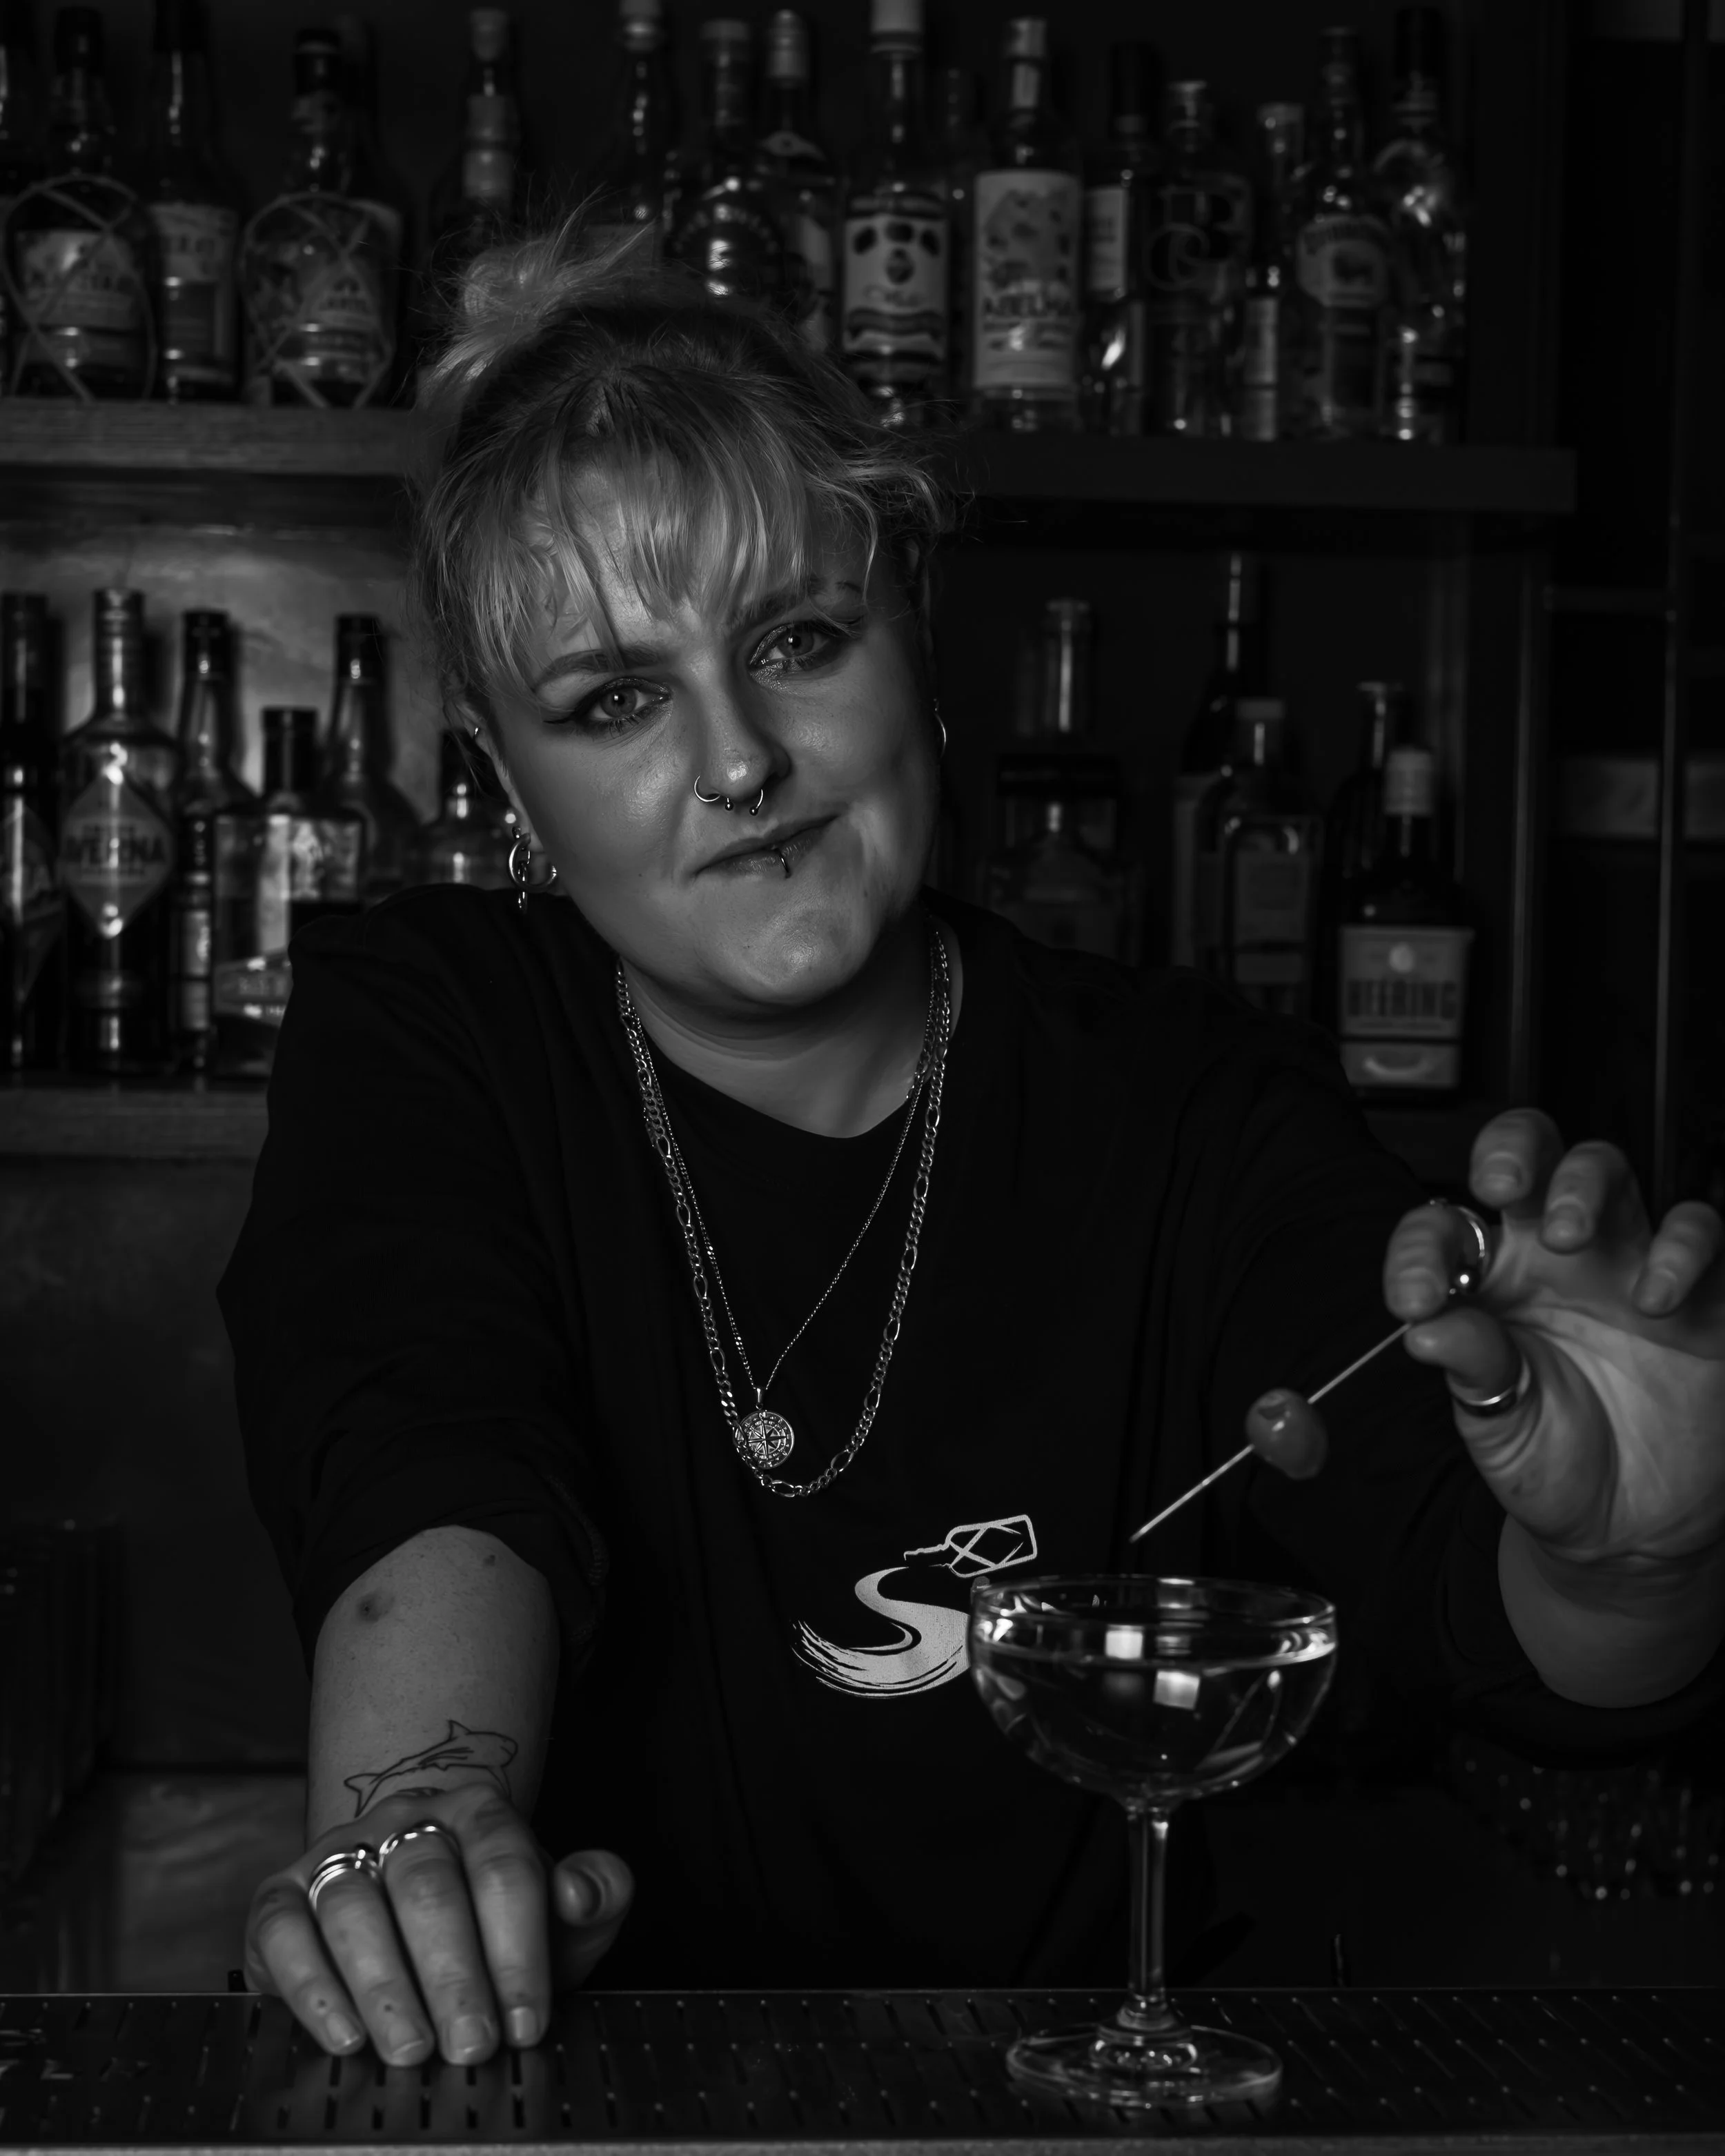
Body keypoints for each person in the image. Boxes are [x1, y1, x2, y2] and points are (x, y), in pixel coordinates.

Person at [221, 220, 1725, 2073]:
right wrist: (427, 1822)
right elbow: (419, 1421)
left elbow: (1465, 1599)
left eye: (796, 638)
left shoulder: (1186, 1105)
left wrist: (1634, 1562)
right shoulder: (440, 1023)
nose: (740, 759)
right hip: (584, 2098)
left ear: (915, 638)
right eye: (612, 699)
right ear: (511, 784)